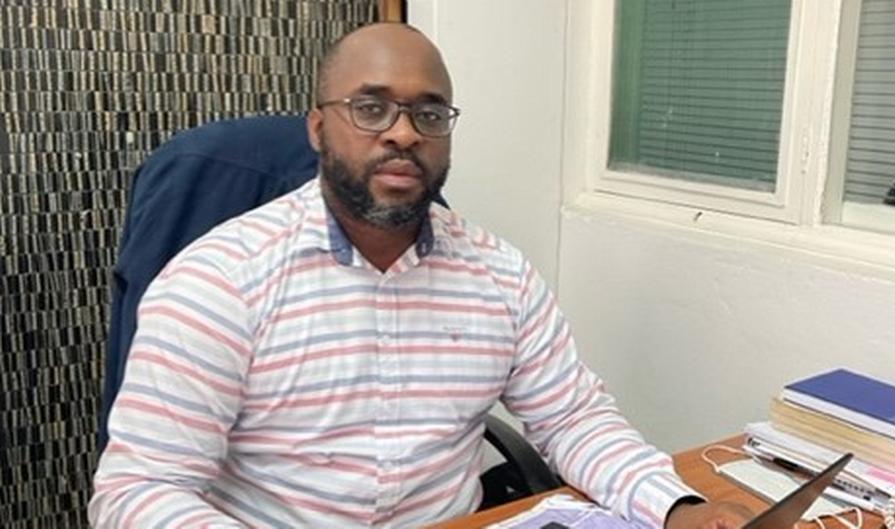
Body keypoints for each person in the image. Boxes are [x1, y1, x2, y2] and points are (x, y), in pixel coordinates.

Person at [90, 23, 751, 528]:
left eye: (429, 114)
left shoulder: (499, 274)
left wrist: (678, 507)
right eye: (370, 108)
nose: (404, 134)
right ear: (318, 129)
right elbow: (139, 489)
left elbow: (573, 419)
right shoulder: (218, 281)